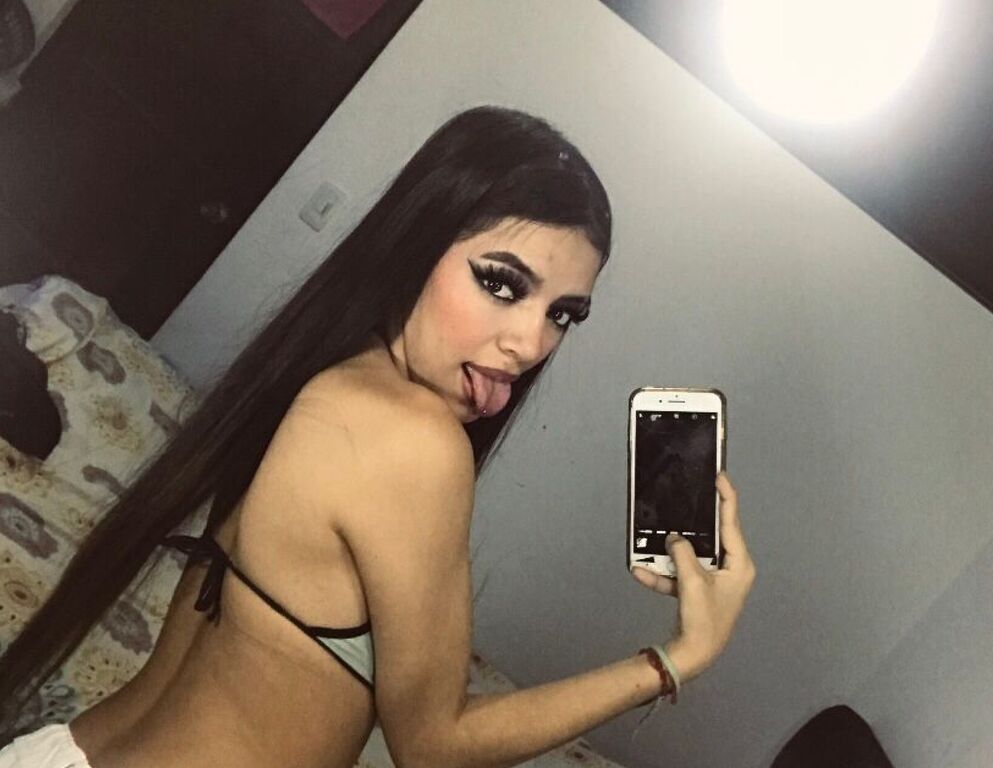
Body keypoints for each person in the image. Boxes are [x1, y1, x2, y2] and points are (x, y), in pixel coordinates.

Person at [0, 105, 755, 767]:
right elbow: (434, 744)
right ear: (417, 244)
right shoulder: (412, 438)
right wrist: (677, 658)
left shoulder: (326, 374)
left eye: (562, 314)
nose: (530, 344)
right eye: (501, 283)